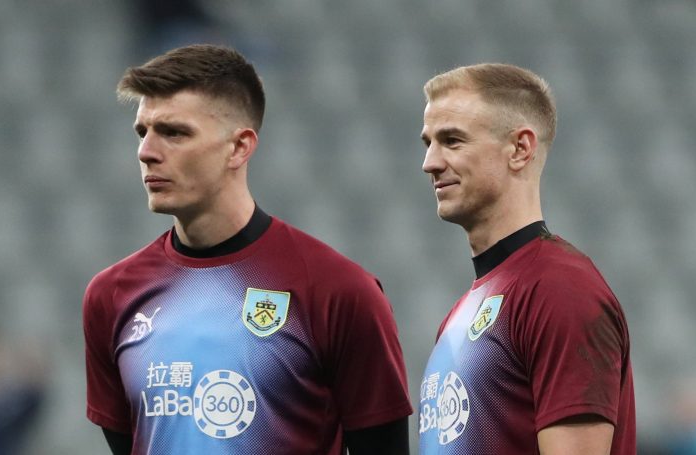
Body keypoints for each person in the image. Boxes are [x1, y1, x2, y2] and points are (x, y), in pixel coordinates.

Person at [83, 44, 413, 455]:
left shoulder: (338, 290)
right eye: (142, 132)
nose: (147, 152)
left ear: (239, 147)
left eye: (174, 132)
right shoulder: (112, 295)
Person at [416, 63, 636, 454]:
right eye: (428, 142)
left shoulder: (559, 291)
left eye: (452, 141)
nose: (430, 162)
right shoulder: (462, 313)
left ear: (520, 149)